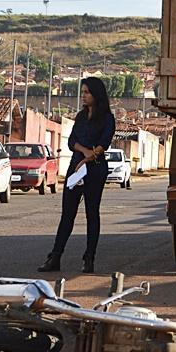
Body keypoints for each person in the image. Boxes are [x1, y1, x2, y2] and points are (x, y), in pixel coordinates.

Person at [38, 77, 115, 273]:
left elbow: (104, 143)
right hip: (76, 169)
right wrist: (84, 151)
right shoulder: (81, 116)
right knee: (68, 214)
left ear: (96, 94)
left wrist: (91, 155)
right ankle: (55, 257)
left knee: (92, 214)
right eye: (83, 92)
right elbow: (71, 141)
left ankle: (89, 259)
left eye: (87, 92)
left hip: (96, 169)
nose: (84, 96)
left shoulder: (107, 118)